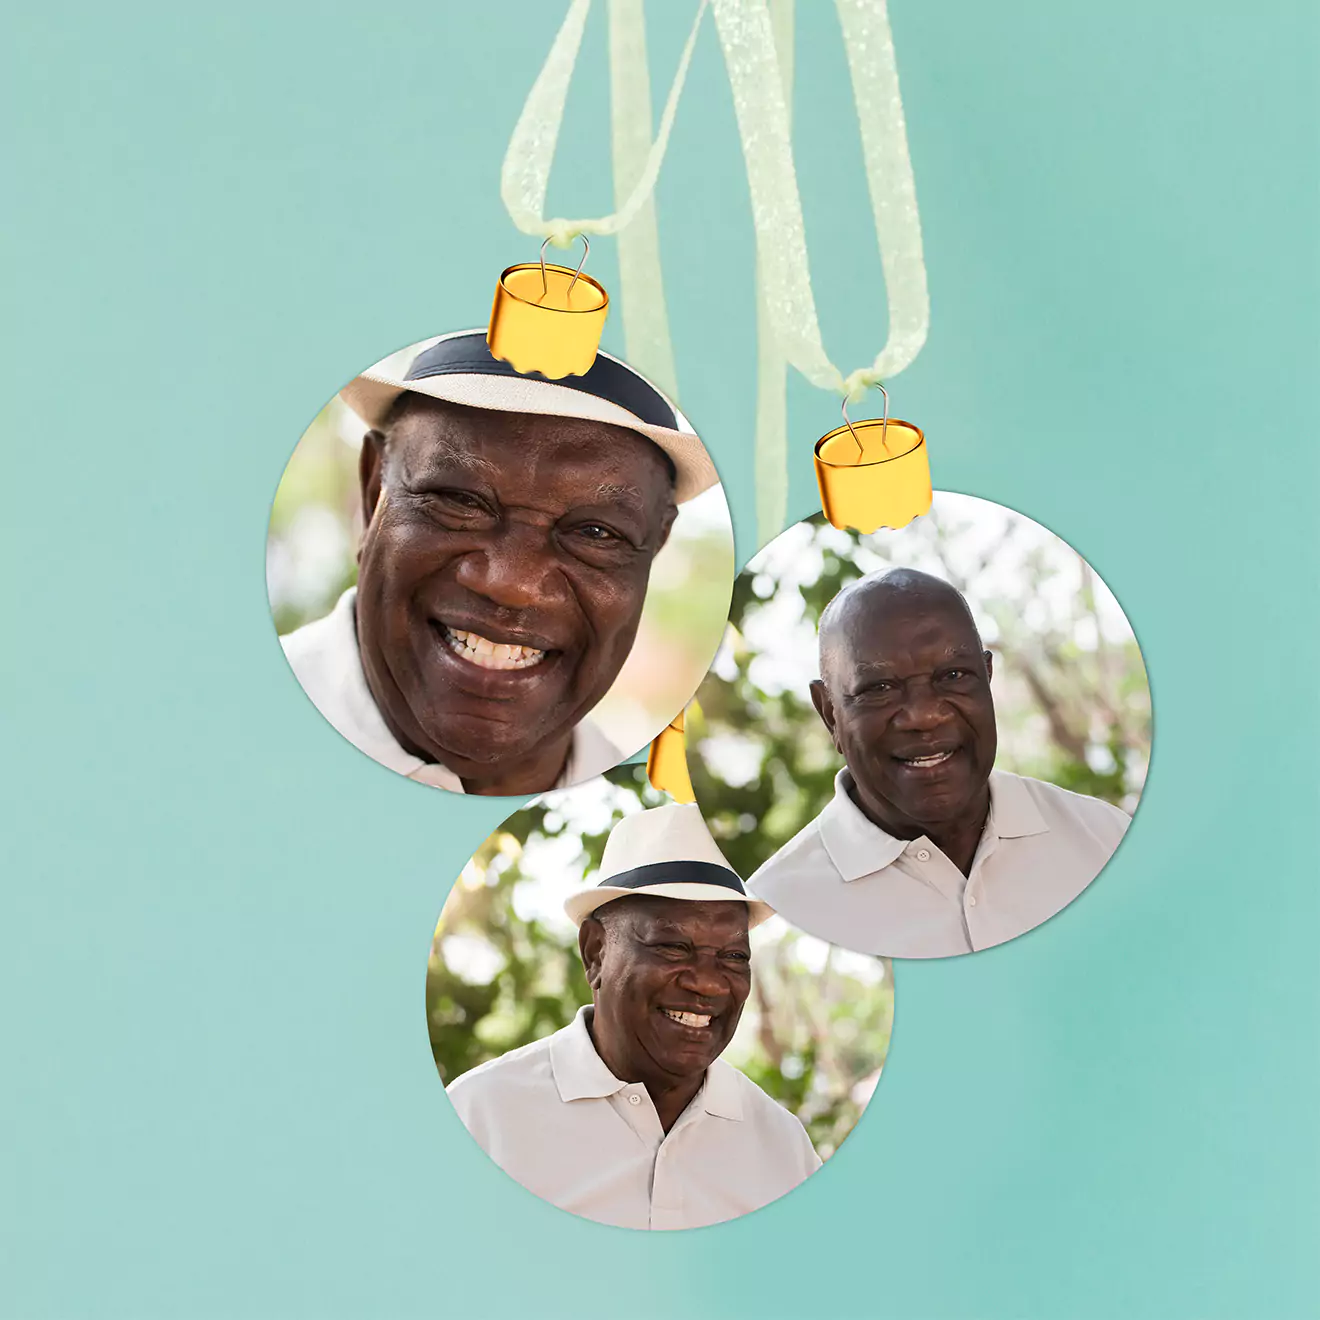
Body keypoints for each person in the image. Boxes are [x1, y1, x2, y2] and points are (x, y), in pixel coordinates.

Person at [278, 331, 720, 796]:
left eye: (595, 533)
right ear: (374, 493)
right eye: (459, 500)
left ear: (656, 544)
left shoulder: (640, 815)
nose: (512, 584)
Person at [446, 803, 821, 1230]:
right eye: (672, 947)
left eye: (733, 956)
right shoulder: (482, 1115)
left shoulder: (783, 1146)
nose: (710, 984)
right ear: (595, 952)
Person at [748, 568, 1132, 958]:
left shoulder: (1108, 841)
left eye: (953, 675)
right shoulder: (773, 915)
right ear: (830, 713)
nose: (924, 716)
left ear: (988, 677)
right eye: (879, 688)